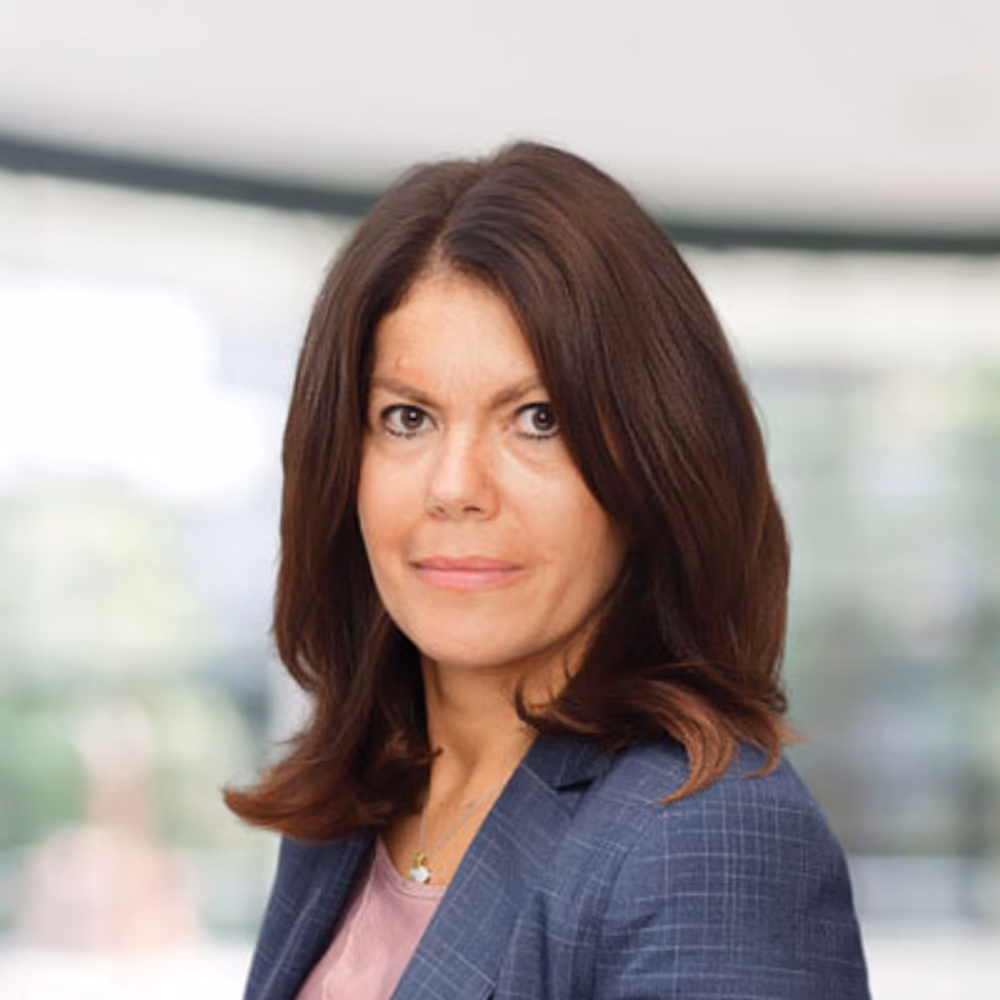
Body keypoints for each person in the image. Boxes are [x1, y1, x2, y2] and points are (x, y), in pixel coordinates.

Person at [226, 141, 870, 999]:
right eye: (408, 418)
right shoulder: (350, 811)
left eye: (538, 419)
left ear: (657, 461)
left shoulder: (705, 836)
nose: (455, 488)